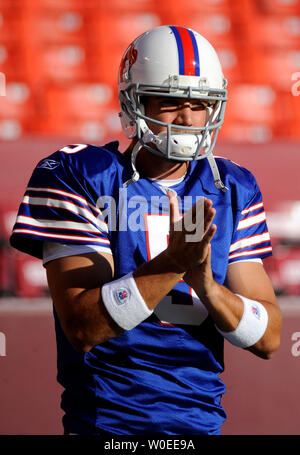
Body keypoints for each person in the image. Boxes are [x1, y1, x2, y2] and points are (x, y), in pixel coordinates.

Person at [10, 25, 282, 435]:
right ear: (133, 102)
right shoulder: (81, 174)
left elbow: (269, 338)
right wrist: (173, 263)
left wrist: (206, 284)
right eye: (170, 101)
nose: (188, 117)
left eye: (200, 103)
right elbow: (84, 327)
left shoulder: (232, 186)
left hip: (201, 422)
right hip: (107, 424)